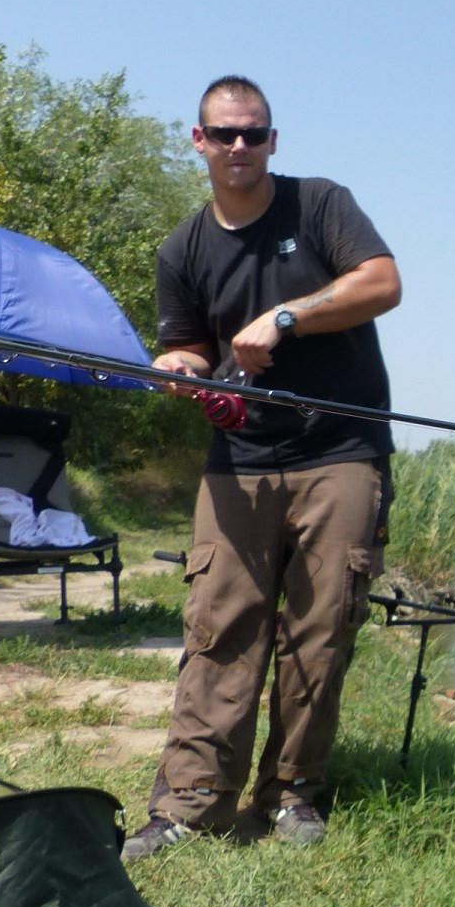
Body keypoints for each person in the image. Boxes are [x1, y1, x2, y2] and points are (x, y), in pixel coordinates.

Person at [123, 75, 402, 860]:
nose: (239, 147)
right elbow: (188, 344)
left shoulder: (318, 205)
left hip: (340, 452)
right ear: (198, 141)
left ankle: (290, 796)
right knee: (218, 628)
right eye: (224, 134)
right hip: (238, 460)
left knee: (319, 634)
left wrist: (284, 317)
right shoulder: (181, 248)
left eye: (254, 133)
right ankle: (189, 804)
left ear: (273, 140)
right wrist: (179, 367)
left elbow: (382, 283)